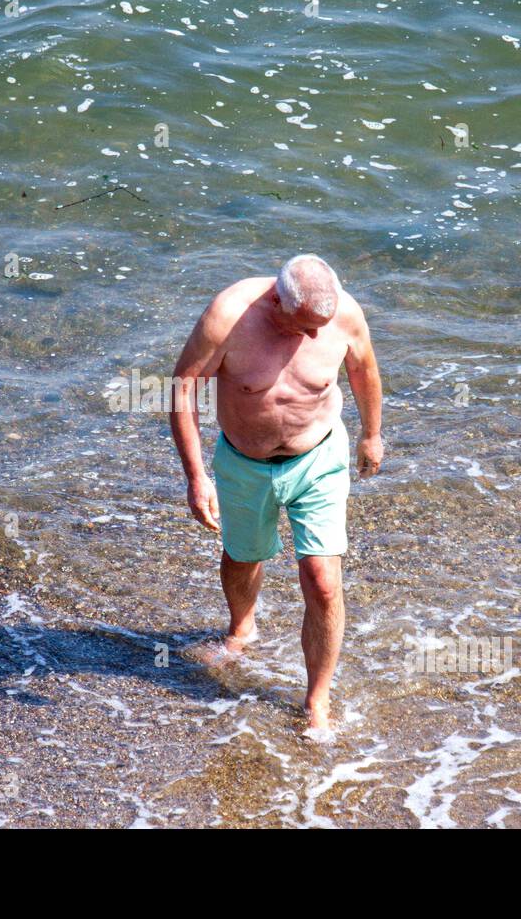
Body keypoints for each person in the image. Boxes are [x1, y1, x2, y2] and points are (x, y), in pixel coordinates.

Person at [169, 254, 384, 740]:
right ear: (275, 300)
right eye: (302, 326)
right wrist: (196, 476)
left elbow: (364, 370)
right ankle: (242, 628)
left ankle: (317, 700)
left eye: (319, 327)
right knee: (244, 557)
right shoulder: (228, 317)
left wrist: (373, 435)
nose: (312, 338)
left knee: (323, 581)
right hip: (245, 464)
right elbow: (183, 391)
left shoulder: (341, 315)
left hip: (320, 458)